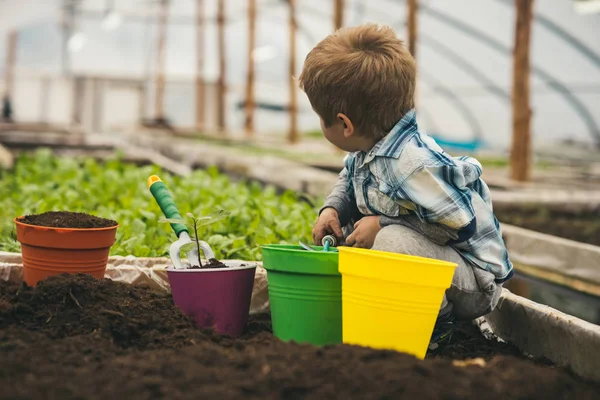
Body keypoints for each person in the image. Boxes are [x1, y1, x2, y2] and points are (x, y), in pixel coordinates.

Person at [299, 24, 513, 348]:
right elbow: (348, 176)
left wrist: (382, 223)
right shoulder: (371, 146)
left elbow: (457, 227)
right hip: (436, 264)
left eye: (321, 118)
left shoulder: (412, 164)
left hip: (472, 282)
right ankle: (386, 309)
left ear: (345, 124)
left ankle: (434, 328)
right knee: (356, 232)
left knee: (391, 239)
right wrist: (332, 208)